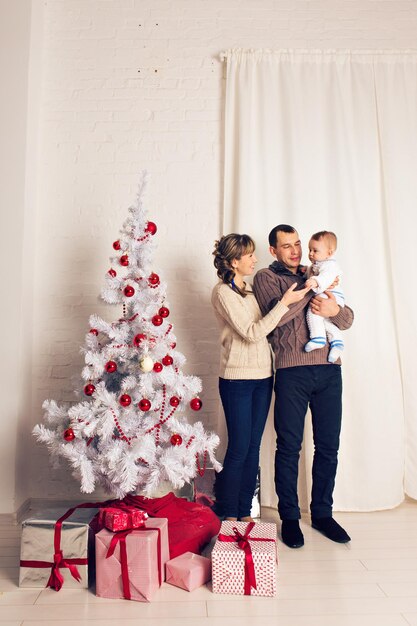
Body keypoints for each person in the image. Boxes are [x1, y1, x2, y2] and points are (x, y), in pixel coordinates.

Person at [253, 224, 354, 548]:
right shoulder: (267, 278)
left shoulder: (318, 271)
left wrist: (333, 308)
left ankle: (323, 513)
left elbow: (347, 319)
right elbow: (276, 318)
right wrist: (313, 290)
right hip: (291, 372)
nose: (296, 251)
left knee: (328, 447)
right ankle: (290, 518)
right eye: (287, 246)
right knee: (289, 448)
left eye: (298, 243)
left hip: (329, 371)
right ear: (273, 251)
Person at [211, 233, 310, 522]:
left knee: (253, 447)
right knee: (239, 448)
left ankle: (244, 512)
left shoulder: (251, 290)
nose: (255, 259)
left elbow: (265, 329)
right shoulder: (223, 293)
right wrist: (285, 303)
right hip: (236, 381)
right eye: (249, 255)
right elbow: (253, 332)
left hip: (263, 377)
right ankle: (228, 513)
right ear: (233, 261)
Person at [304, 230, 345, 363]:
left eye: (315, 250)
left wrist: (315, 281)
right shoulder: (318, 264)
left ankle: (318, 338)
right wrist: (306, 272)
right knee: (327, 322)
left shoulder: (330, 265)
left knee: (313, 312)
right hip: (328, 297)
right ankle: (337, 342)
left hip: (331, 297)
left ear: (330, 252)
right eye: (309, 249)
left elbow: (325, 277)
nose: (310, 253)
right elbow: (312, 272)